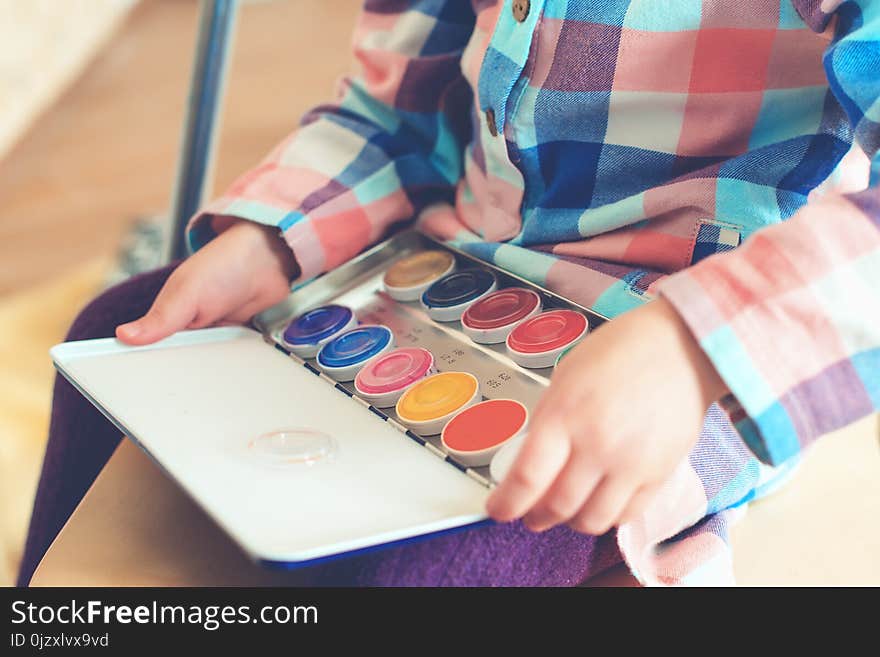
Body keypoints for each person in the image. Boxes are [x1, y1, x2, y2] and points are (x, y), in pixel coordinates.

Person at [19, 0, 880, 586]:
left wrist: (696, 346)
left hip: (683, 345)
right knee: (113, 329)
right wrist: (272, 237)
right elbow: (394, 114)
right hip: (448, 261)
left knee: (418, 566)